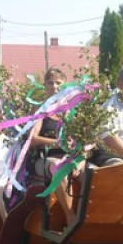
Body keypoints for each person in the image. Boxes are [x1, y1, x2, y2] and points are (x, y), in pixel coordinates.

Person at [29, 68, 77, 225]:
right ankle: (71, 217)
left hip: (70, 156)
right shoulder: (40, 110)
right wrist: (56, 142)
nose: (54, 86)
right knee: (60, 167)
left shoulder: (72, 110)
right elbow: (33, 139)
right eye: (50, 82)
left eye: (58, 82)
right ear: (45, 85)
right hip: (45, 158)